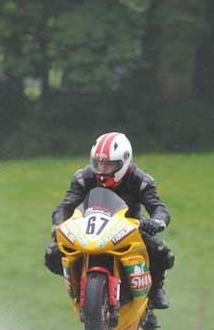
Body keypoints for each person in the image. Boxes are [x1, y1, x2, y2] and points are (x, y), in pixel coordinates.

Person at [44, 132, 174, 309]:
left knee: (161, 251)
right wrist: (59, 224)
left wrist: (156, 222)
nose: (102, 170)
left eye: (109, 165)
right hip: (90, 228)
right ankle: (77, 283)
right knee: (52, 254)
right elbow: (65, 206)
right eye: (98, 163)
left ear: (125, 161)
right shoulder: (83, 178)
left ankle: (156, 289)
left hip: (130, 229)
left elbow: (159, 208)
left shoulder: (141, 180)